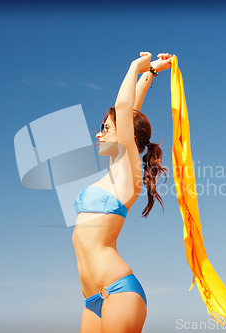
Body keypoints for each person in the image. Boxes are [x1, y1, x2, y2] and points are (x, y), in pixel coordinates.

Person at [72, 52, 172, 333]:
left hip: (118, 291)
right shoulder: (115, 170)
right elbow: (129, 111)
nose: (99, 134)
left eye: (105, 128)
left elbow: (124, 108)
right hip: (92, 299)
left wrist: (135, 67)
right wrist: (150, 73)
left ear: (125, 133)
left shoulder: (128, 174)